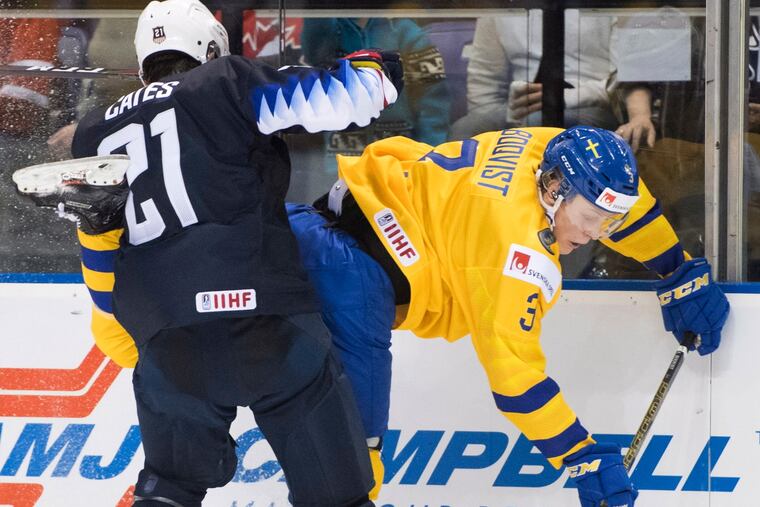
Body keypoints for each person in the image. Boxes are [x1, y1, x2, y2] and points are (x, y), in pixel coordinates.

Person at [18, 125, 730, 506]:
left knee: (139, 337)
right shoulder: (516, 254)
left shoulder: (553, 149)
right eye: (585, 221)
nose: (593, 237)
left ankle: (106, 224)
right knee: (351, 478)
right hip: (352, 283)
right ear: (552, 192)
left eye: (603, 224)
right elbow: (515, 378)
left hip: (306, 226)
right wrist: (581, 455)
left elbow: (620, 202)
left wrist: (673, 268)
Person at [16, 0, 404, 504]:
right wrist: (377, 66)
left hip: (167, 335)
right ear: (211, 48)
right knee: (338, 494)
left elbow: (106, 285)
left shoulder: (95, 132)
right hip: (267, 319)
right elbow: (348, 99)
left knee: (169, 490)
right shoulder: (223, 83)